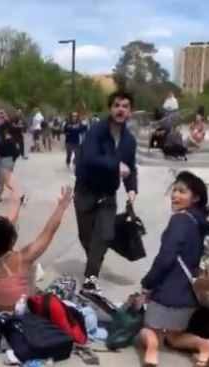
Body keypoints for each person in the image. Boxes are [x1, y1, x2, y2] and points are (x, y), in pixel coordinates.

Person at [138, 171, 209, 367]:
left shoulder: (179, 220)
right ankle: (205, 346)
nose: (175, 195)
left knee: (147, 330)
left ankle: (152, 352)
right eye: (174, 190)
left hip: (168, 293)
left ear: (195, 197)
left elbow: (166, 258)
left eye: (182, 191)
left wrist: (147, 283)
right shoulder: (199, 223)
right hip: (190, 295)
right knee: (174, 336)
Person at [74, 91, 138, 293]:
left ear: (130, 111)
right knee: (86, 237)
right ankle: (94, 261)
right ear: (110, 108)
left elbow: (131, 167)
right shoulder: (96, 131)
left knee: (105, 235)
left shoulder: (129, 140)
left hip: (108, 194)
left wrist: (132, 188)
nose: (121, 109)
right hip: (86, 190)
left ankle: (90, 277)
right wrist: (115, 165)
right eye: (117, 105)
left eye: (125, 106)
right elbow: (89, 158)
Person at [0, 186, 73, 313]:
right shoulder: (24, 257)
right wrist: (61, 207)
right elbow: (49, 231)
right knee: (68, 282)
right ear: (12, 240)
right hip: (27, 314)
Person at [0, 122, 20, 203]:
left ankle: (20, 196)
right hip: (6, 160)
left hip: (7, 161)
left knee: (7, 182)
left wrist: (11, 160)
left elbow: (0, 150)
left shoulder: (8, 141)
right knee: (1, 180)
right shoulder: (10, 140)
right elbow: (16, 153)